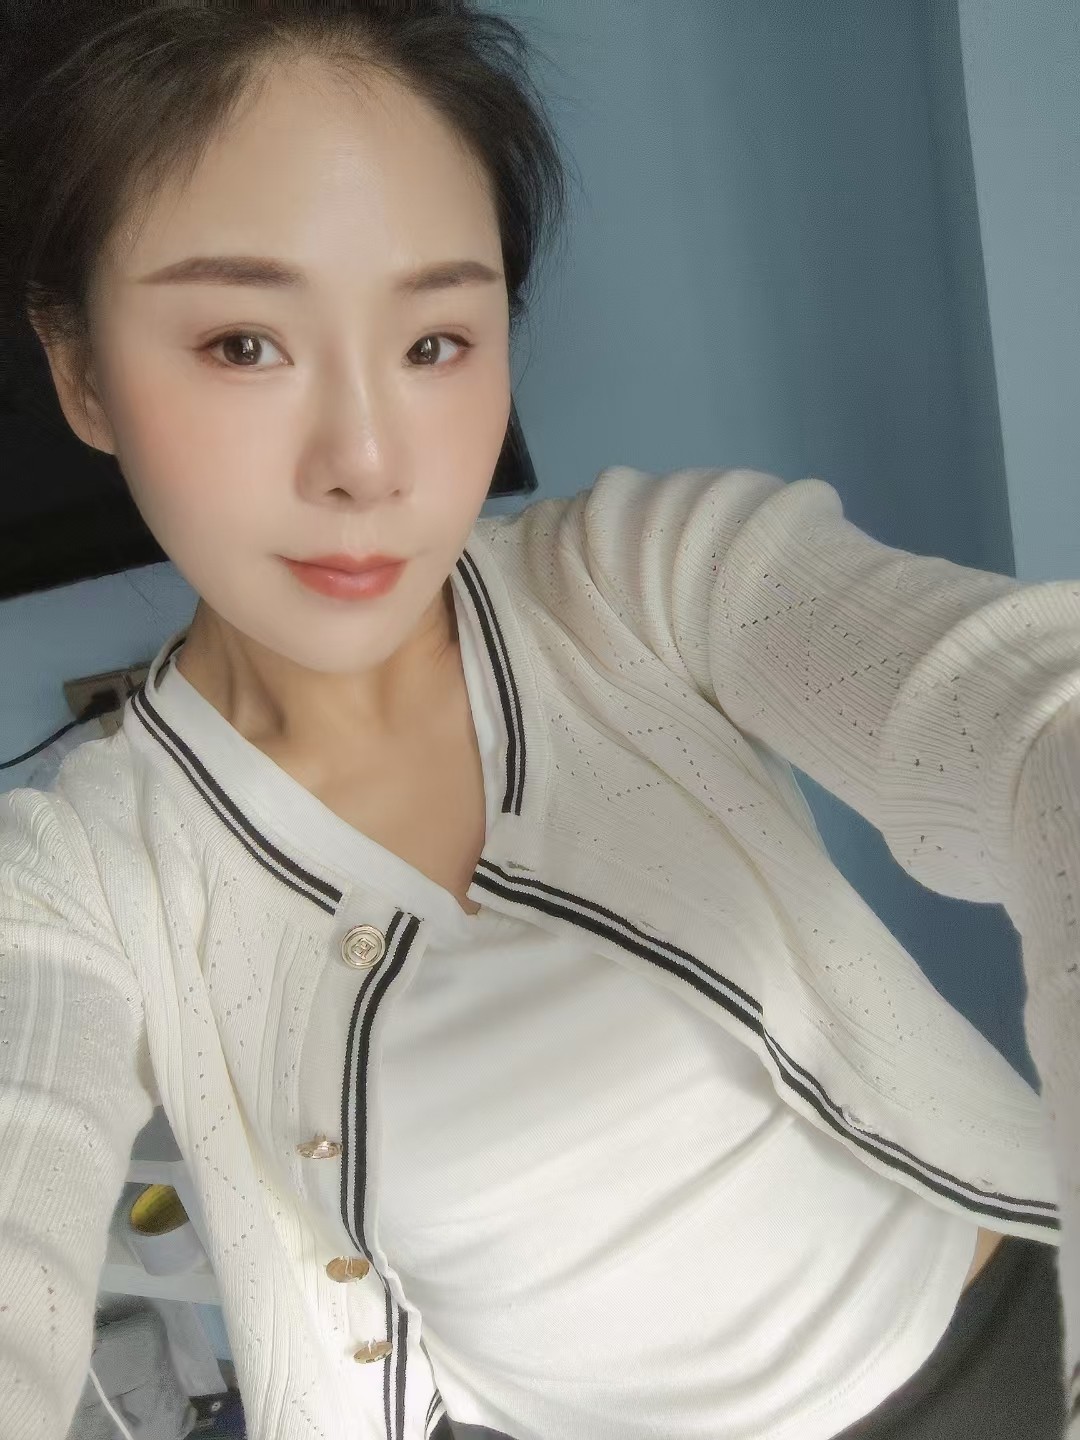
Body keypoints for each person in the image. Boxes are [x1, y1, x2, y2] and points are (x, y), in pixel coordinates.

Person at [0, 4, 1077, 1438]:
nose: (367, 462)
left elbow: (1041, 719)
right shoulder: (78, 878)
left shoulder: (648, 582)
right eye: (245, 343)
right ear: (80, 369)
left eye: (437, 340)